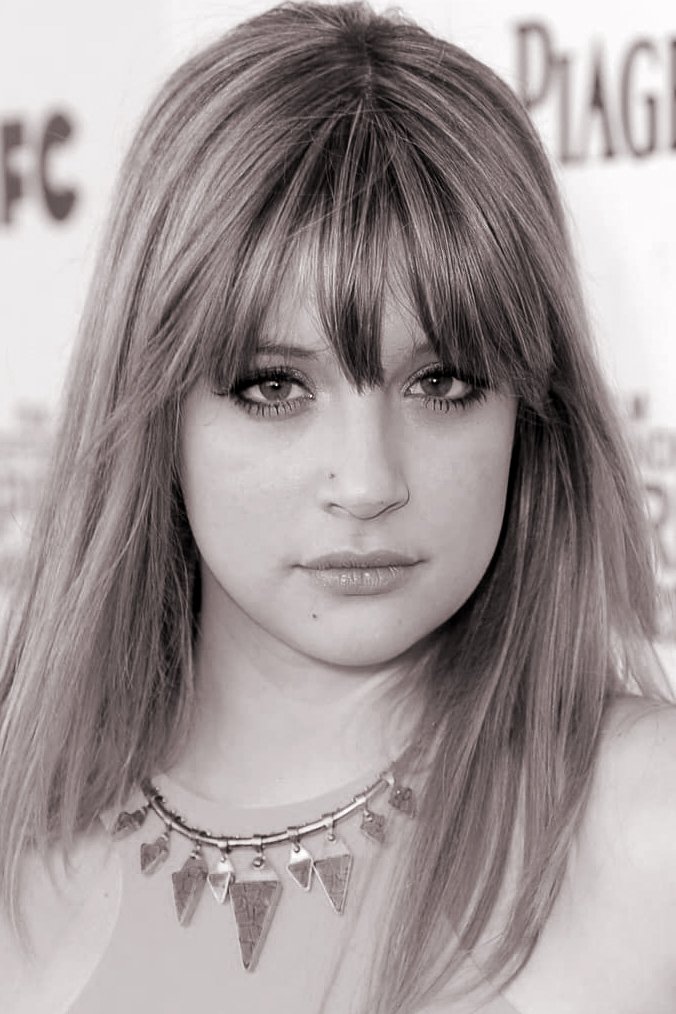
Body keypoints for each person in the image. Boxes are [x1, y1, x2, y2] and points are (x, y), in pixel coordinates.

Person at [1, 2, 675, 1011]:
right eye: (275, 387)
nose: (366, 483)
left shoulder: (648, 829)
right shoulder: (23, 841)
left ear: (532, 410)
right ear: (153, 408)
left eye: (442, 382)